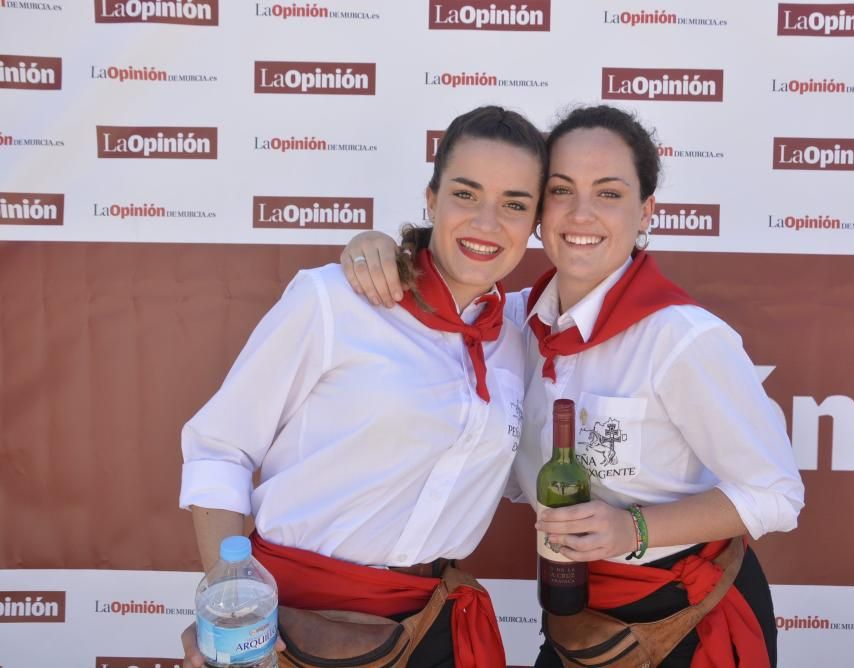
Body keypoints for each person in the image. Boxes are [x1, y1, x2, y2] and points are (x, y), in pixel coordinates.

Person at [341, 105, 804, 667]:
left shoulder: (682, 338)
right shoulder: (507, 323)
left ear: (647, 210)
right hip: (571, 619)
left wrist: (631, 527)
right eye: (562, 191)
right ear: (538, 210)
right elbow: (434, 288)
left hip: (685, 620)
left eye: (609, 193)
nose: (581, 213)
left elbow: (776, 495)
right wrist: (381, 249)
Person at [178, 105, 548, 668]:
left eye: (515, 205)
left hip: (431, 628)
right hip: (292, 629)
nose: (487, 223)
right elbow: (220, 448)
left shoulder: (522, 333)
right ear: (431, 199)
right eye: (466, 194)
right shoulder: (332, 300)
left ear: (535, 223)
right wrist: (227, 610)